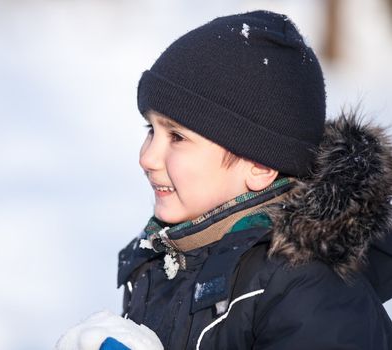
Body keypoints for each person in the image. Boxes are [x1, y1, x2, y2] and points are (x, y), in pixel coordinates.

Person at [116, 10, 392, 350]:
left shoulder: (306, 291)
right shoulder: (166, 258)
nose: (147, 157)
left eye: (177, 137)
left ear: (259, 166)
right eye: (151, 129)